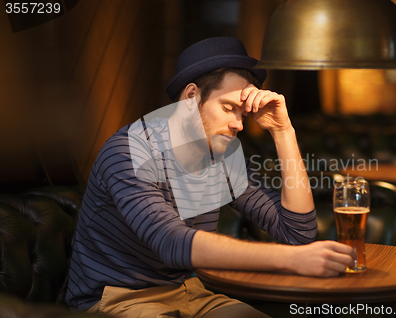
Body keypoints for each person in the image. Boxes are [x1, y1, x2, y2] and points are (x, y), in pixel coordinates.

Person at [66, 37, 355, 318]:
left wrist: (284, 132)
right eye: (229, 108)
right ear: (191, 96)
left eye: (243, 113)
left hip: (188, 291)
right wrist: (292, 261)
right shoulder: (130, 150)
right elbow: (170, 243)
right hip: (116, 299)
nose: (238, 124)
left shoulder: (222, 156)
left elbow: (298, 234)